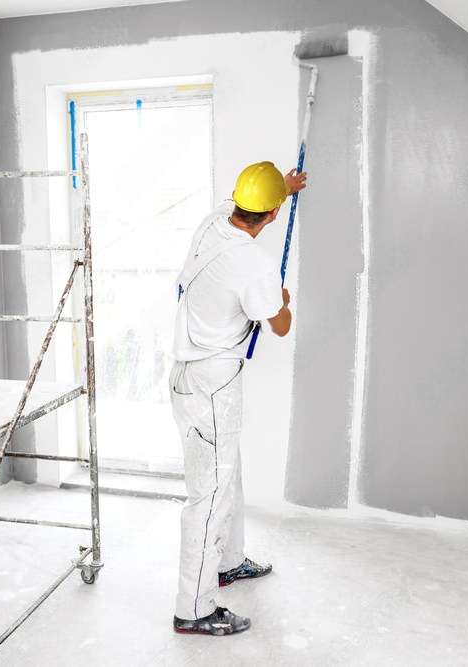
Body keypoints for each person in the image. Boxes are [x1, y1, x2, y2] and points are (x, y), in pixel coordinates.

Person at [170, 161, 306, 636]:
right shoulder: (258, 266)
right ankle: (194, 608)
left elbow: (248, 206)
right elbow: (281, 325)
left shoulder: (213, 223)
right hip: (212, 380)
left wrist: (283, 189)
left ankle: (227, 563)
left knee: (227, 472)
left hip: (191, 373)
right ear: (270, 214)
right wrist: (282, 299)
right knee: (209, 494)